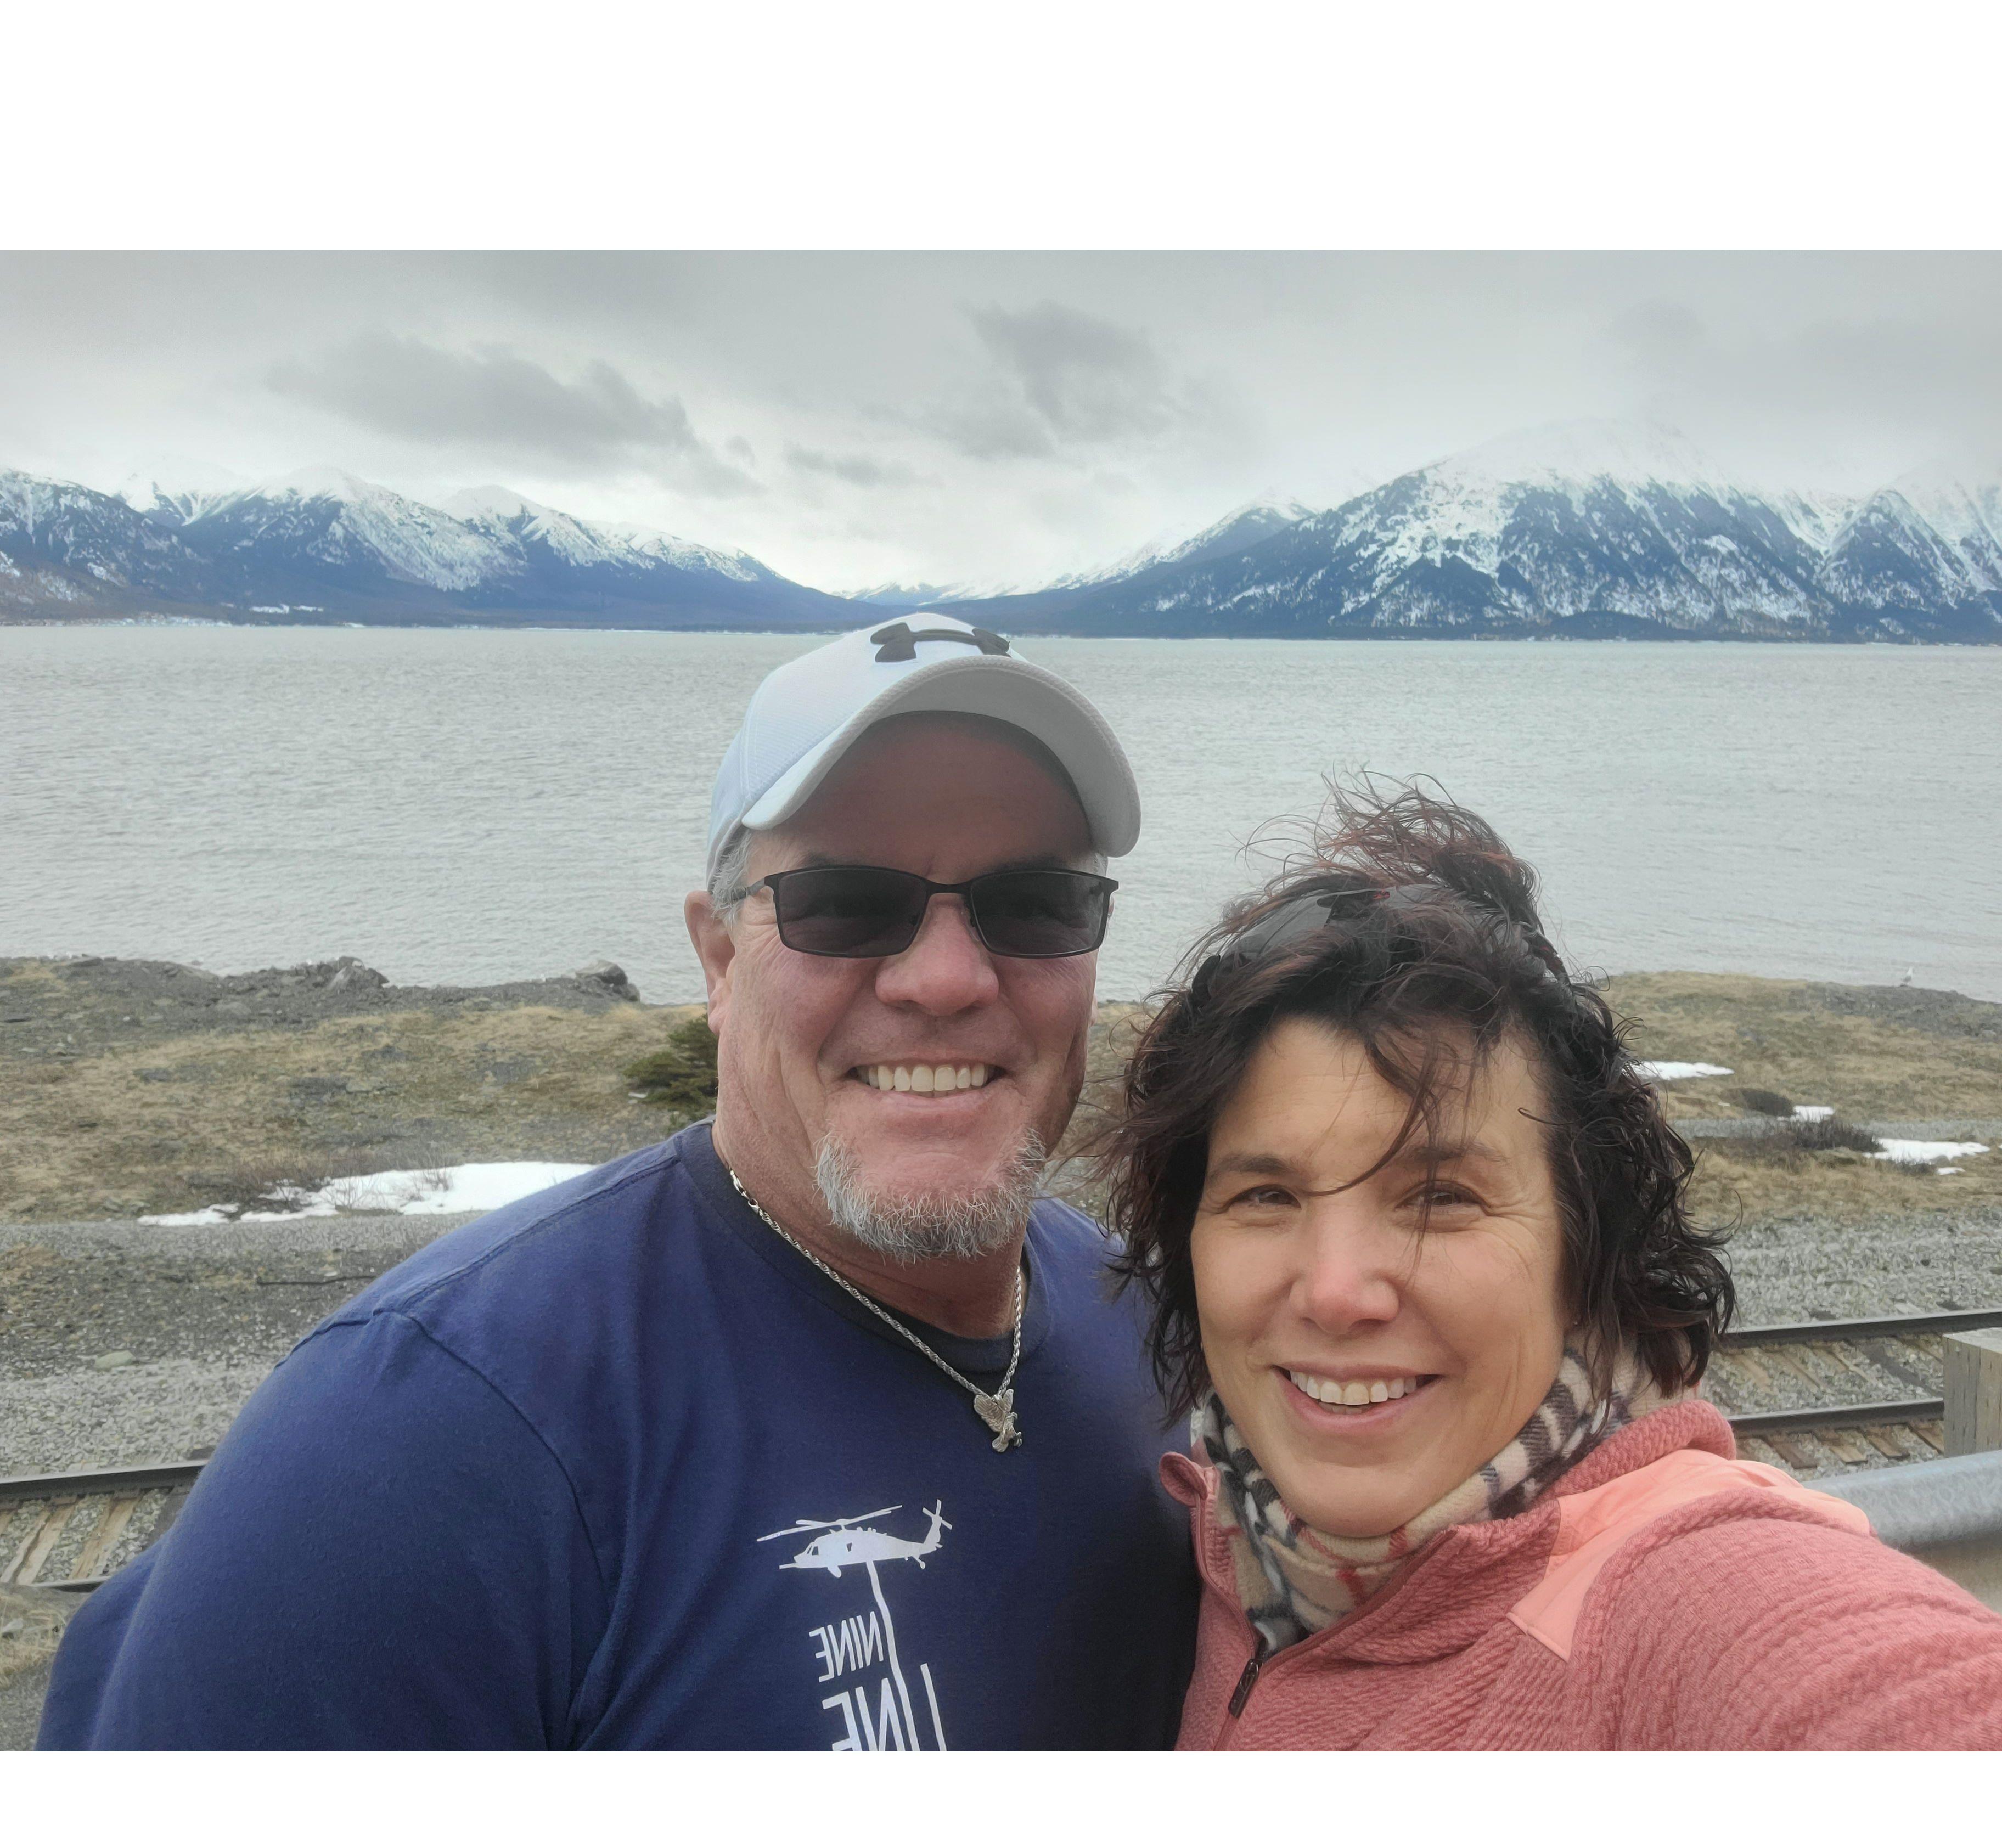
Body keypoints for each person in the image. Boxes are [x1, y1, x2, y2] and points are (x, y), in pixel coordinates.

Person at [41, 617, 1197, 1750]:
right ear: (719, 960)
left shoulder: (1156, 1326)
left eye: (1036, 904)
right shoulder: (420, 1437)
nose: (944, 979)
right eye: (846, 903)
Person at [1102, 785, 2002, 1750]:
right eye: (1267, 1196)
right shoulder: (1227, 1532)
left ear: (1585, 1246)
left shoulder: (1676, 1603)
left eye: (1440, 1198)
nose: (1334, 1290)